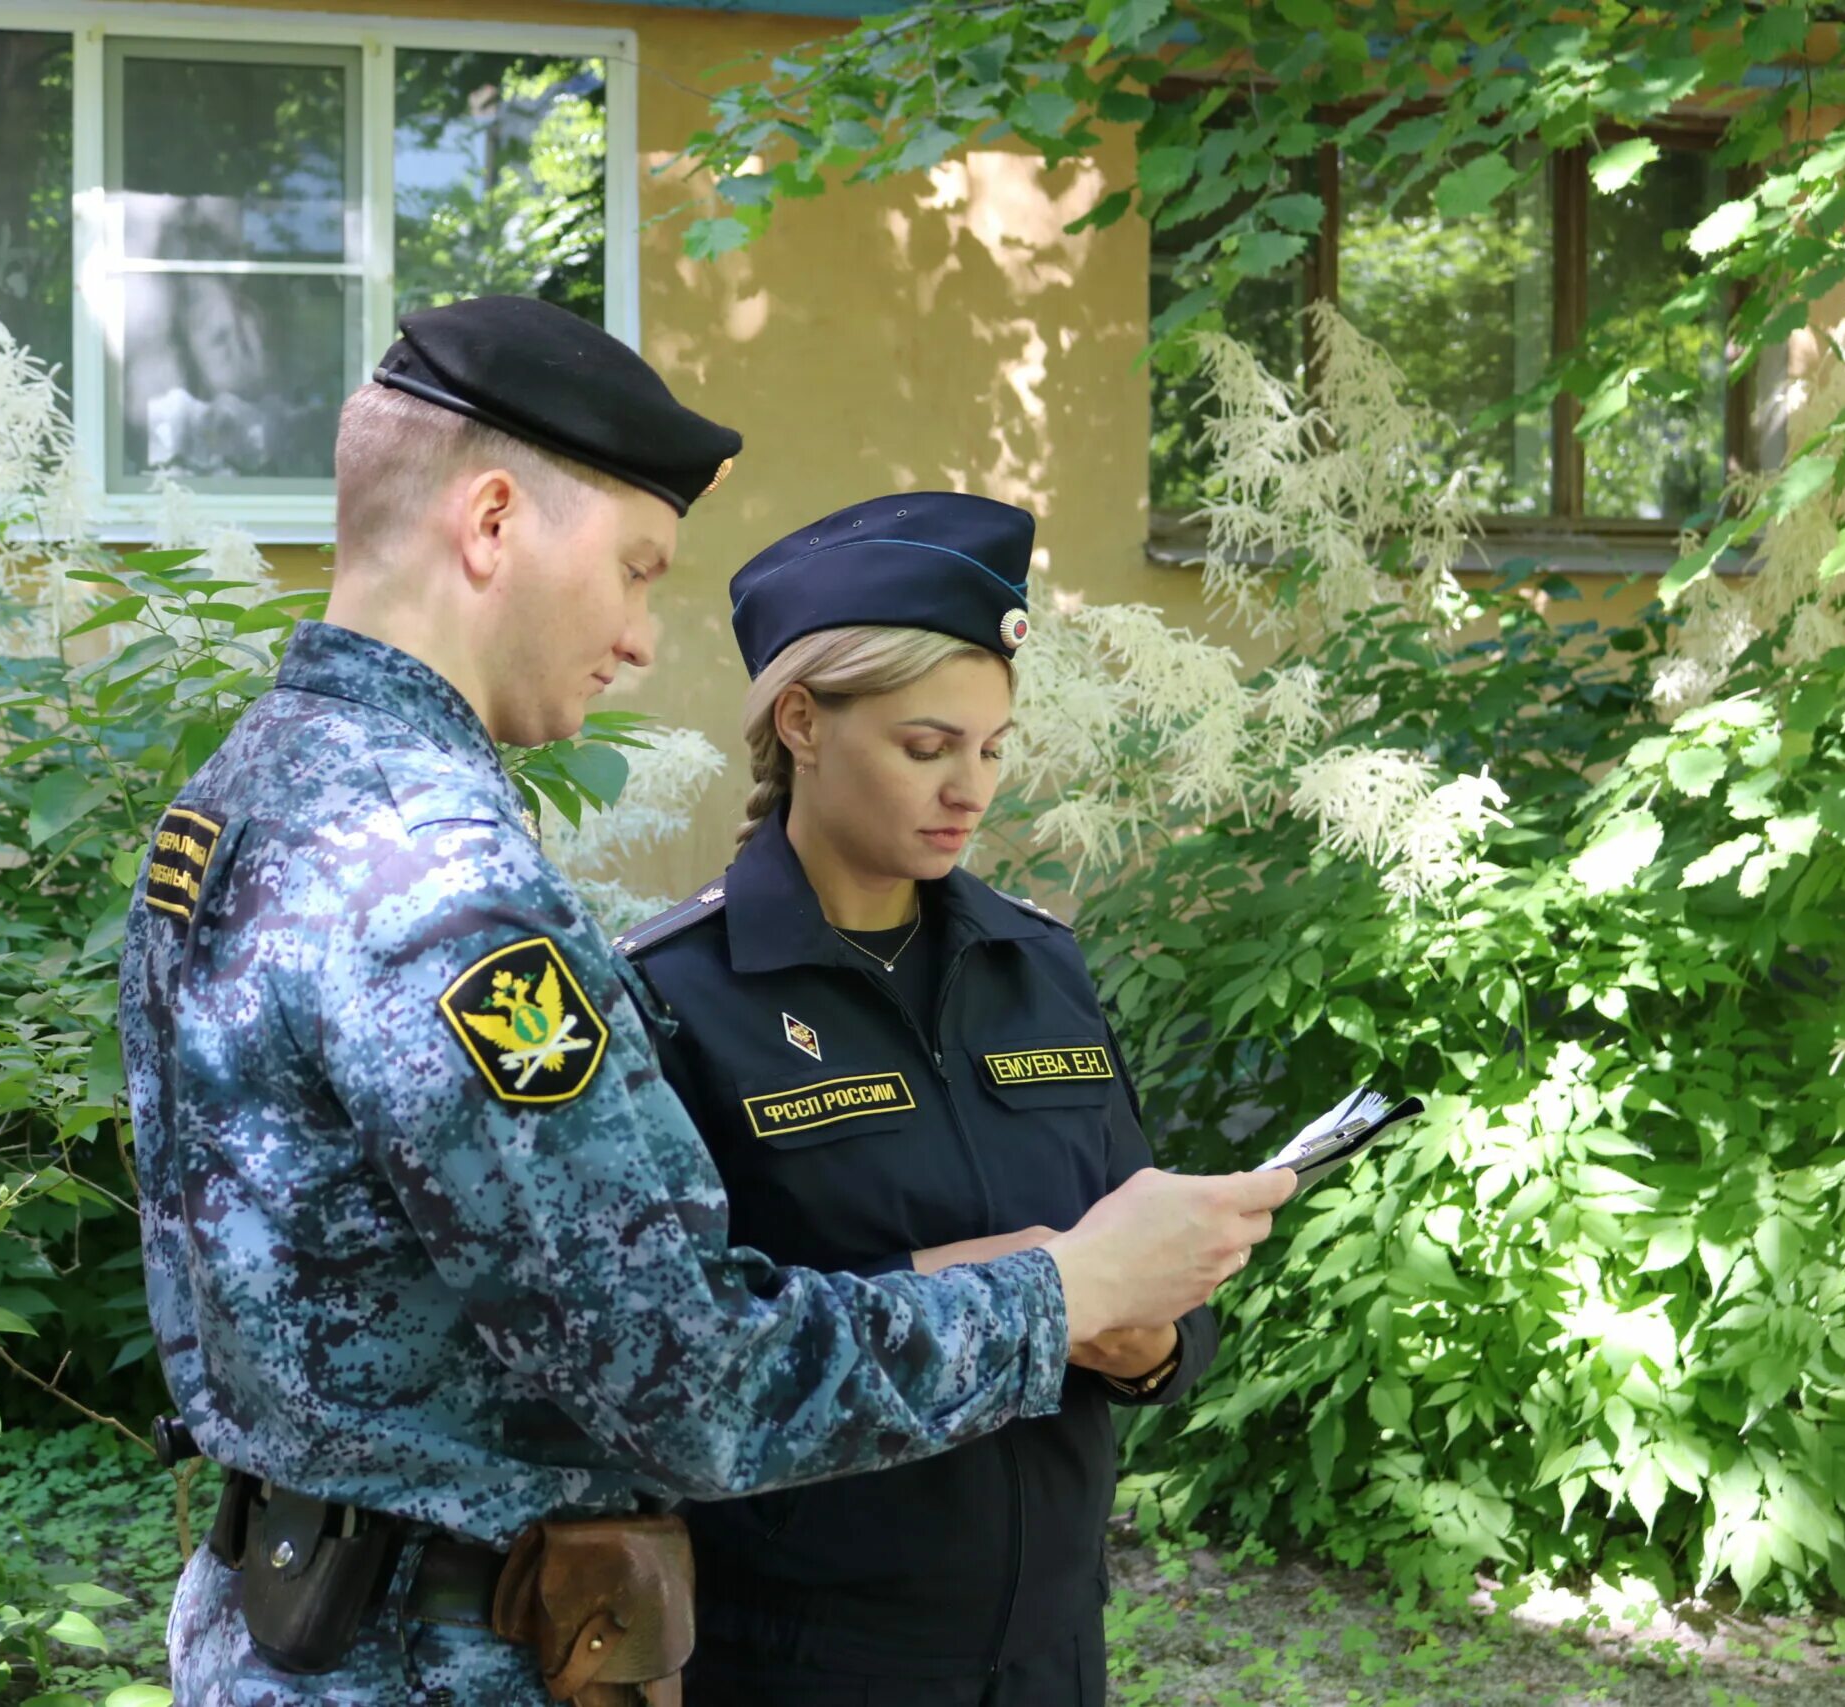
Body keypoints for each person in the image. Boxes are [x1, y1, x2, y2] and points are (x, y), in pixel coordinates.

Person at [116, 294, 1298, 1705]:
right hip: (426, 1657)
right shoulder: (446, 888)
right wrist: (1073, 1285)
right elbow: (691, 1378)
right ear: (492, 522)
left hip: (282, 1628)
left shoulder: (246, 796)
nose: (636, 635)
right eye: (633, 568)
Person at [617, 493, 1215, 1707]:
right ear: (803, 723)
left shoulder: (1038, 967)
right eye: (926, 747)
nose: (969, 790)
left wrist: (1157, 1343)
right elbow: (676, 1354)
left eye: (990, 751)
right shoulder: (676, 996)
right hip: (803, 1658)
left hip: (1049, 1645)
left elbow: (1138, 1241)